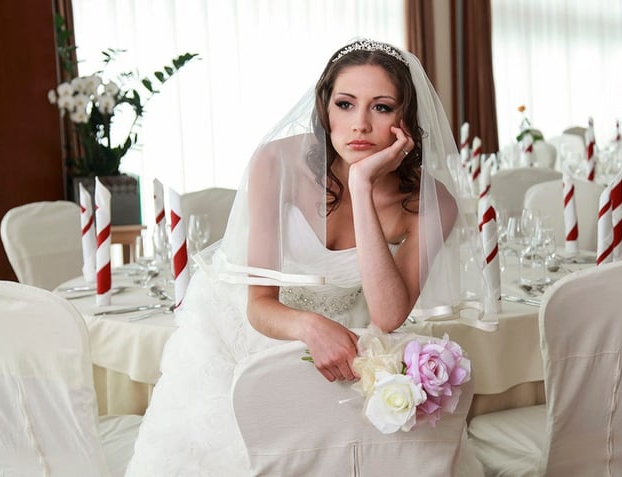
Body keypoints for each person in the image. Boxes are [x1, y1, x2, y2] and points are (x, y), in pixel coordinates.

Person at [125, 39, 492, 475]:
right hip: (240, 328)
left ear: (406, 120)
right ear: (326, 110)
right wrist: (310, 325)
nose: (359, 124)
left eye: (381, 107)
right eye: (345, 103)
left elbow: (390, 313)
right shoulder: (276, 164)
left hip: (346, 331)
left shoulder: (435, 203)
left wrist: (361, 185)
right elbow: (259, 304)